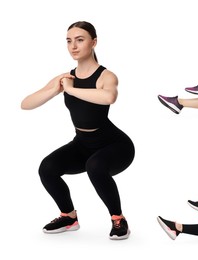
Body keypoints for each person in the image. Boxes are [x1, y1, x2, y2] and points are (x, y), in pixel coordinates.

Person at [21, 21, 135, 240]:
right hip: (83, 144)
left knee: (95, 166)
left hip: (116, 146)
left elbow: (108, 97)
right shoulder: (66, 77)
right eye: (69, 40)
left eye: (80, 40)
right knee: (47, 168)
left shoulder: (106, 76)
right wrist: (55, 89)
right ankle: (69, 217)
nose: (73, 46)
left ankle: (118, 220)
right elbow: (26, 103)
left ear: (94, 42)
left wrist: (71, 90)